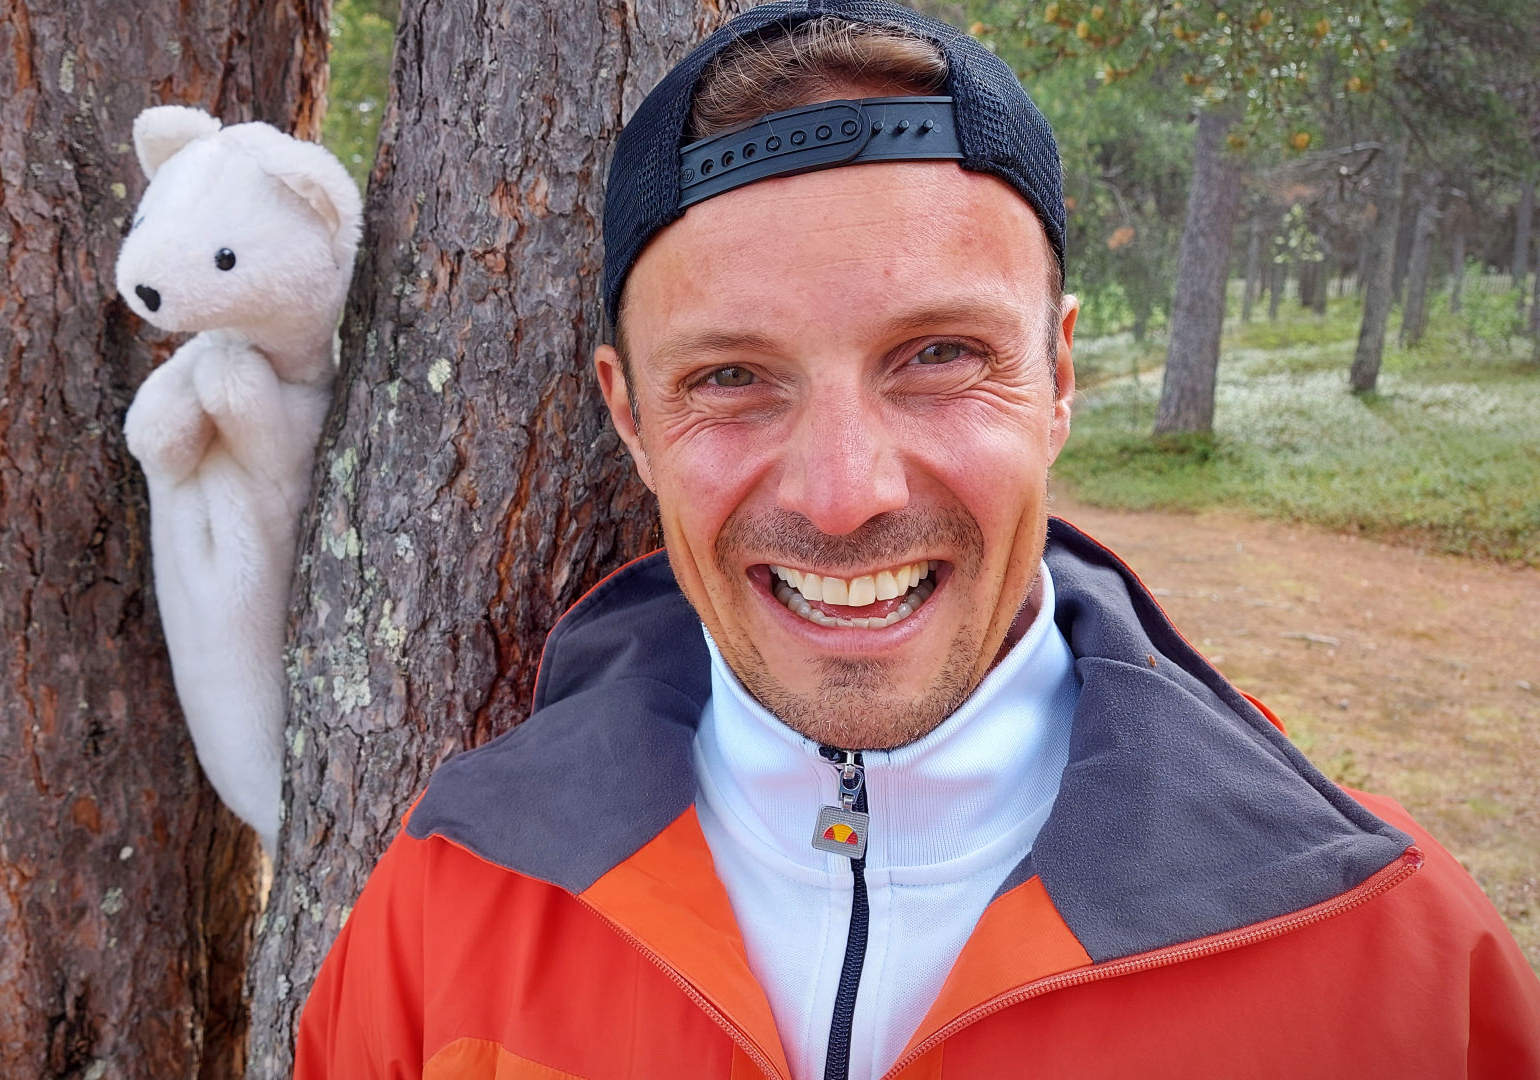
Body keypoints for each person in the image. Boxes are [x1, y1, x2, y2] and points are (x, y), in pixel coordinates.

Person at [293, 4, 1540, 1077]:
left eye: (939, 356)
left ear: (1058, 378)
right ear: (632, 418)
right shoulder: (447, 912)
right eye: (731, 377)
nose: (845, 495)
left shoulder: (1391, 959)